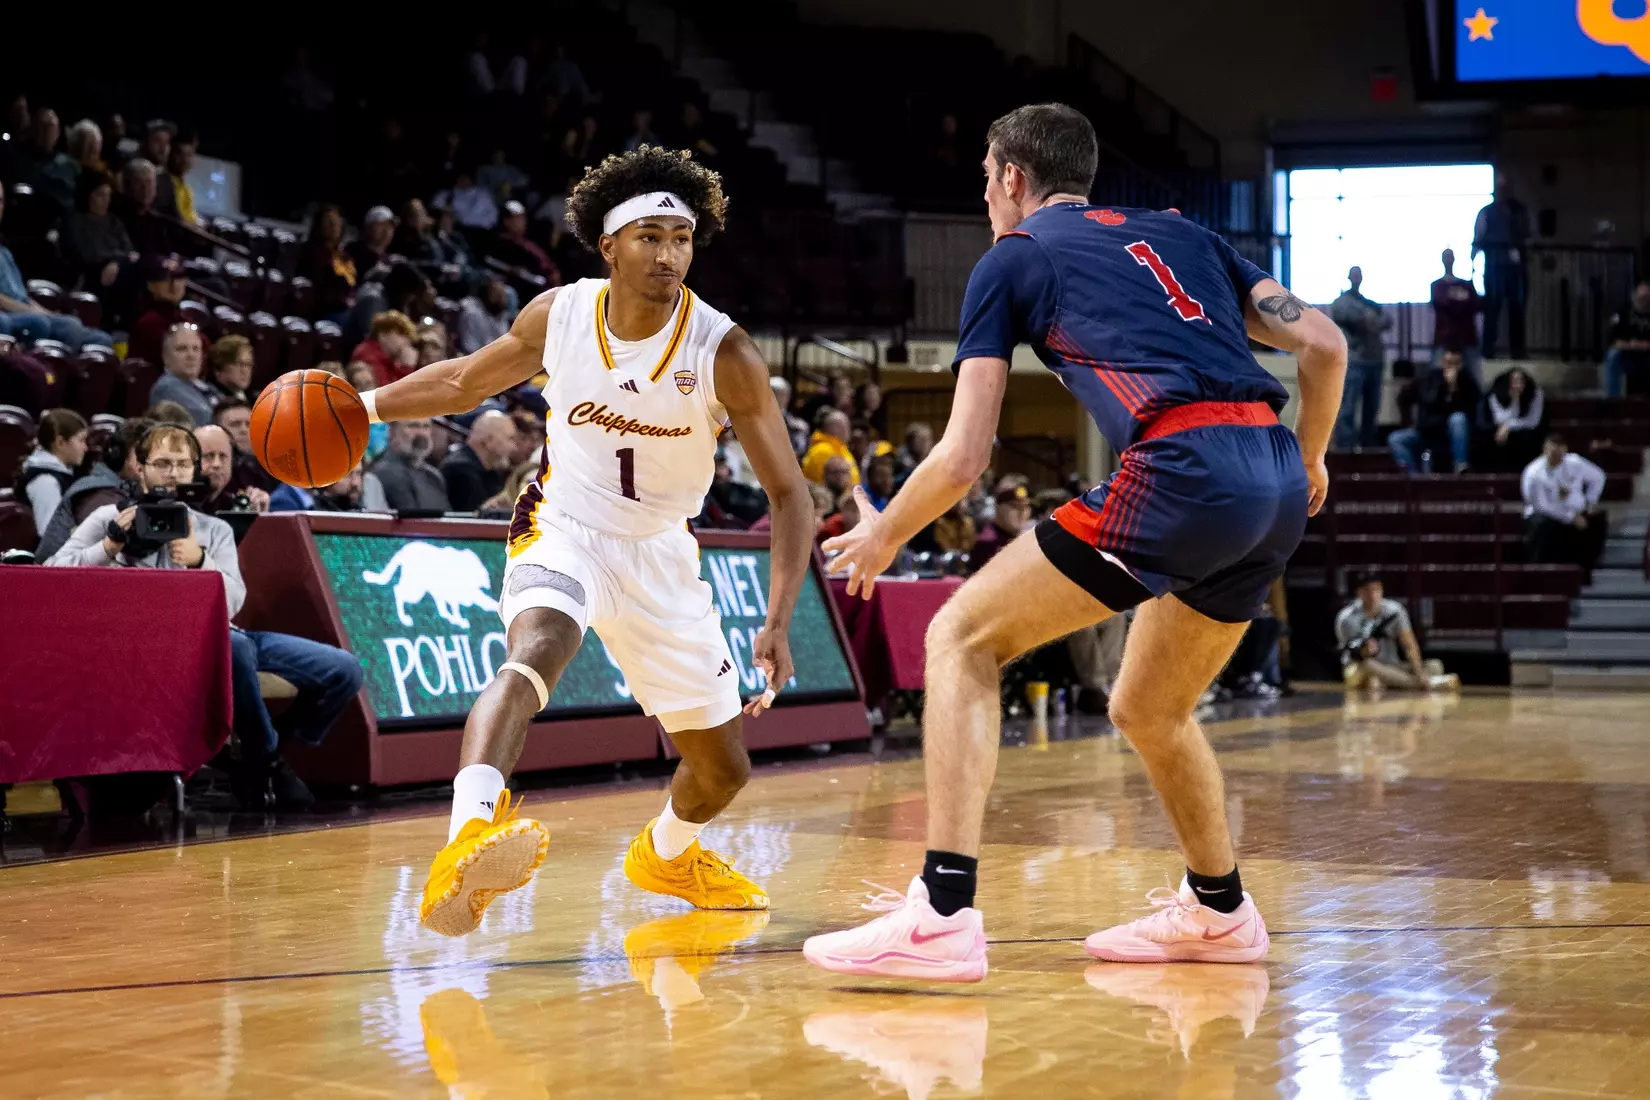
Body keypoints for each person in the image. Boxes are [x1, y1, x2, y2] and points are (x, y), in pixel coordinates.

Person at [805, 103, 1346, 980]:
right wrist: (1313, 457)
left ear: (1013, 179)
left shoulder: (1014, 257)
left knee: (960, 638)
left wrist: (883, 533)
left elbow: (964, 456)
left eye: (986, 179)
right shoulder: (1187, 236)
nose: (985, 197)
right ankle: (1219, 912)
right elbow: (1323, 343)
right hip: (1276, 477)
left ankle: (940, 914)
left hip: (1183, 471)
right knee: (1148, 708)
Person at [358, 145, 813, 937]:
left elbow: (790, 495)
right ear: (609, 246)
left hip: (661, 553)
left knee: (722, 769)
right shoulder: (558, 315)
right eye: (649, 238)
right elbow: (464, 381)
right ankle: (467, 836)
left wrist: (775, 620)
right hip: (563, 522)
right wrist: (360, 407)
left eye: (681, 238)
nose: (668, 255)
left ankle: (667, 855)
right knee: (536, 649)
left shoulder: (723, 351)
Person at [45, 424, 364, 808]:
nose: (172, 473)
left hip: (222, 635)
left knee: (343, 670)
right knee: (237, 648)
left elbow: (233, 603)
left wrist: (199, 560)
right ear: (140, 468)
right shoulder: (107, 518)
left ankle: (256, 754)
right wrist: (110, 545)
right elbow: (52, 571)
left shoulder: (214, 528)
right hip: (152, 646)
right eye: (161, 463)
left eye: (181, 464)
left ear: (194, 471)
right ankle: (267, 759)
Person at [0, 185, 114, 352]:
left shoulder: (4, 250)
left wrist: (45, 312)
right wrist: (33, 312)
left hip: (24, 311)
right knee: (48, 324)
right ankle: (53, 373)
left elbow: (21, 294)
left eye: (1, 200)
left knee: (100, 339)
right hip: (9, 315)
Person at [34, 415, 152, 561]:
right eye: (144, 454)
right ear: (120, 456)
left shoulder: (131, 489)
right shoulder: (100, 494)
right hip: (56, 579)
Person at [1336, 574, 1459, 691]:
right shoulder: (1347, 618)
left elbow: (1409, 644)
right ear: (1359, 593)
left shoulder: (1394, 611)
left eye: (1376, 590)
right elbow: (1350, 654)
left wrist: (1419, 671)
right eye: (1367, 591)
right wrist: (1364, 650)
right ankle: (1428, 684)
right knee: (1366, 666)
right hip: (1360, 667)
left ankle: (1394, 682)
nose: (1373, 595)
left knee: (1435, 666)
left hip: (1391, 666)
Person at [1522, 433, 1608, 570]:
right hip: (1546, 515)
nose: (1557, 457)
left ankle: (1588, 569)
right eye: (1553, 453)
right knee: (1542, 525)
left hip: (1574, 511)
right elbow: (1541, 506)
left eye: (1560, 453)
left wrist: (1590, 502)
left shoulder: (1574, 462)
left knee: (1598, 518)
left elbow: (1598, 477)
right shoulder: (1534, 473)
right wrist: (1570, 516)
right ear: (1545, 451)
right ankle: (1539, 571)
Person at [1387, 351, 1479, 474]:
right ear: (1442, 363)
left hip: (1449, 433)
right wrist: (1407, 422)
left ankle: (1460, 465)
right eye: (1448, 363)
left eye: (1455, 363)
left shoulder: (1466, 382)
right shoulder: (1430, 379)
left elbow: (1471, 406)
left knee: (1458, 418)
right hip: (1426, 431)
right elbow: (1408, 398)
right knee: (1396, 439)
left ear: (1461, 364)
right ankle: (1412, 476)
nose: (1451, 368)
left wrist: (1453, 388)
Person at [1328, 265, 1388, 448]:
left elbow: (1387, 320)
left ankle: (1368, 447)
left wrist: (1370, 321)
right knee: (1348, 407)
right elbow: (1350, 318)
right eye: (1354, 275)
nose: (1357, 278)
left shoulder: (1369, 303)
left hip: (1375, 361)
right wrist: (1367, 320)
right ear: (1349, 278)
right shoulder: (1341, 302)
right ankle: (1345, 449)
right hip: (1354, 361)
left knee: (1372, 408)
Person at [1473, 173, 1529, 360]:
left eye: (1506, 188)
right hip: (1494, 267)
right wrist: (1472, 262)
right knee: (1492, 309)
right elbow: (1478, 237)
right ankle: (1488, 350)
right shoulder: (1487, 211)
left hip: (1516, 268)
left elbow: (1528, 235)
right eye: (1500, 188)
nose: (1503, 192)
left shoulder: (1520, 211)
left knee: (1517, 310)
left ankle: (1518, 351)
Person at [63, 171, 138, 307]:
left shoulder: (113, 221)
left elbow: (131, 252)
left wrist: (116, 263)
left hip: (118, 269)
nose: (106, 200)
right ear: (88, 195)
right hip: (89, 274)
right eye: (100, 195)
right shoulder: (74, 221)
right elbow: (87, 255)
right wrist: (115, 259)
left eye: (108, 195)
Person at [19, 409, 88, 540]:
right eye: (81, 440)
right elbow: (51, 536)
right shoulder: (46, 481)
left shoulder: (60, 475)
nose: (86, 448)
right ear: (60, 442)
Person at [439, 409, 518, 512]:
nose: (514, 447)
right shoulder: (459, 470)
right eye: (510, 439)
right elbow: (473, 521)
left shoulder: (490, 472)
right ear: (489, 440)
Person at [370, 419, 452, 512]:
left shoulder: (434, 477)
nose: (421, 433)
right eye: (413, 426)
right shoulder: (382, 472)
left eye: (426, 426)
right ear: (392, 431)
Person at [1430, 248, 1484, 384]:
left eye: (1450, 257)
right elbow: (1442, 303)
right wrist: (1460, 298)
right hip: (1444, 338)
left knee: (1475, 380)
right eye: (1446, 257)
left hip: (1467, 338)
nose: (1448, 260)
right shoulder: (1437, 286)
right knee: (1436, 380)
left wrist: (1455, 298)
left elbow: (1475, 304)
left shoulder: (1466, 284)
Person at [298, 204, 357, 323]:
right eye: (329, 221)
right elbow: (319, 292)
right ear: (319, 225)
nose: (334, 225)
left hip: (348, 308)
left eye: (337, 221)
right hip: (324, 312)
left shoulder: (345, 256)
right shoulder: (311, 253)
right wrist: (342, 301)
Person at [148, 323, 215, 426]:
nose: (191, 355)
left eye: (196, 349)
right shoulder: (166, 388)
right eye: (182, 349)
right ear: (165, 356)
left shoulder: (208, 389)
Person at [127, 254, 189, 365]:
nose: (174, 285)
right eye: (165, 279)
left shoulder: (187, 318)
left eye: (179, 277)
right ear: (151, 285)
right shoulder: (148, 323)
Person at [194, 424, 271, 514]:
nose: (217, 464)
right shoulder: (179, 504)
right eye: (208, 456)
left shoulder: (238, 505)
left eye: (223, 456)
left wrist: (260, 515)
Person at [1480, 367, 1544, 471]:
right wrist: (1514, 401)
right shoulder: (1496, 392)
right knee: (1497, 436)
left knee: (1525, 436)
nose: (1518, 385)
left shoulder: (1535, 393)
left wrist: (1509, 426)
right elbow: (1499, 419)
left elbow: (1533, 422)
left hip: (1530, 432)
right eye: (1514, 381)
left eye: (1521, 381)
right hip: (1503, 431)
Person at [1602, 281, 1650, 399]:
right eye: (1641, 298)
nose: (1644, 301)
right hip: (1628, 357)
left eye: (1647, 298)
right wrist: (1631, 345)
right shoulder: (1622, 314)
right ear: (1634, 296)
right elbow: (1612, 339)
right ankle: (1614, 402)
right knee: (1613, 355)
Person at [968, 483, 1030, 572]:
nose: (1021, 513)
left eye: (1025, 507)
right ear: (998, 508)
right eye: (1015, 507)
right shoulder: (988, 542)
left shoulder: (1027, 538)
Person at [349, 310, 420, 387]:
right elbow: (385, 393)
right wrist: (405, 368)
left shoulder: (388, 358)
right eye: (400, 334)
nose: (406, 341)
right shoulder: (368, 355)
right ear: (382, 334)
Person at [801, 409, 860, 485]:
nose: (849, 431)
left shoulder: (841, 449)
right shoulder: (823, 451)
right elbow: (821, 484)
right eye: (846, 426)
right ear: (836, 429)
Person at [458, 276, 514, 355]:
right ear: (486, 292)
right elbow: (469, 346)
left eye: (502, 295)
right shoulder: (472, 312)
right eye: (496, 293)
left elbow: (504, 344)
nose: (501, 298)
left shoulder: (502, 315)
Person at [346, 206, 397, 277]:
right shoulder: (350, 254)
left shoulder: (391, 261)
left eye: (390, 226)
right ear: (368, 228)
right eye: (381, 225)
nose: (386, 231)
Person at [769, 375, 809, 456]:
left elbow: (800, 450)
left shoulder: (797, 427)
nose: (779, 398)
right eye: (775, 394)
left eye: (783, 395)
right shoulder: (756, 422)